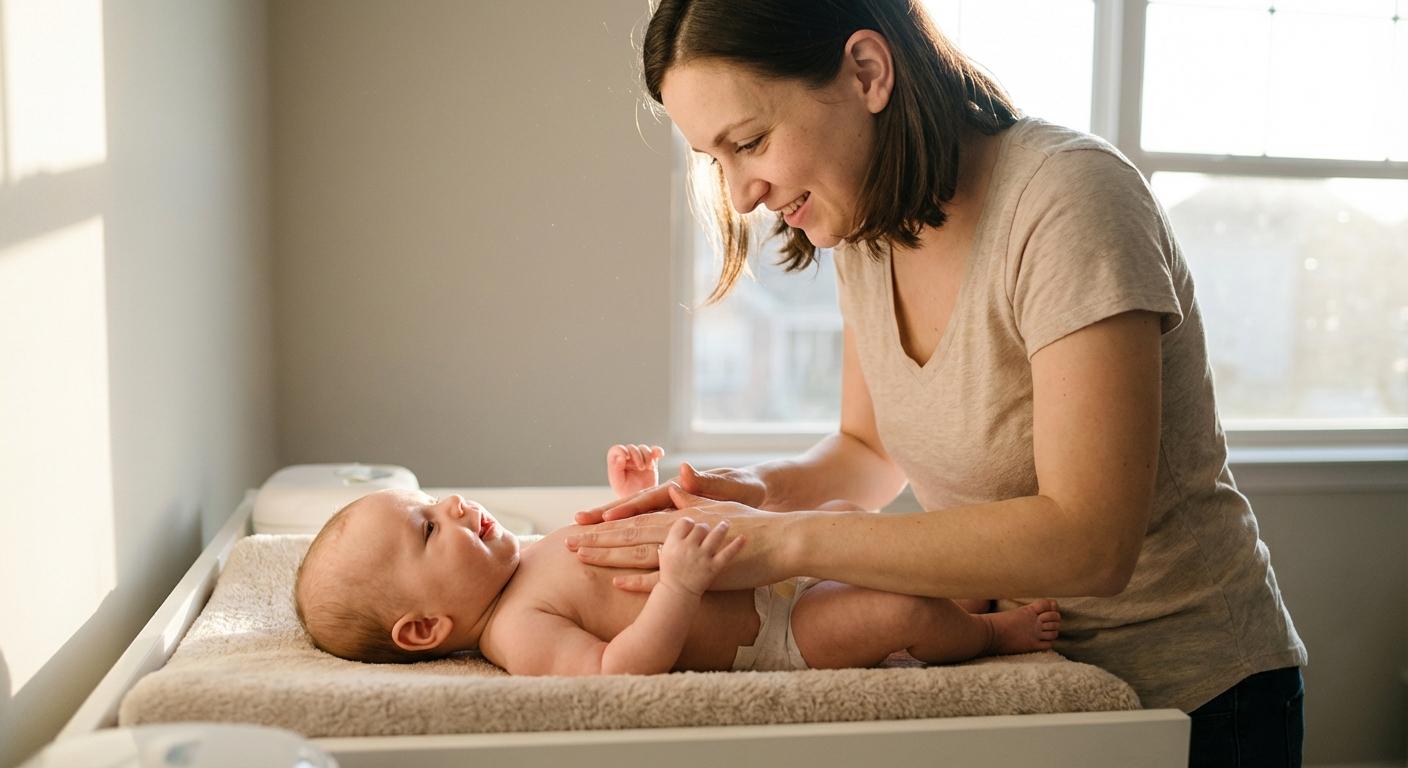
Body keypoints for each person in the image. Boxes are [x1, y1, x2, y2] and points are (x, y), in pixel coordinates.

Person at [566, 1, 1306, 764]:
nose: (741, 193)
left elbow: (1090, 543)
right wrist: (750, 494)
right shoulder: (866, 223)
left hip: (1198, 701)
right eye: (714, 160)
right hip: (1033, 681)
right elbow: (867, 450)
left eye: (749, 142)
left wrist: (786, 542)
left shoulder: (1069, 201)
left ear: (867, 72)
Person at [292, 446, 1061, 674]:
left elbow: (602, 546)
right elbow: (618, 674)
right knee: (897, 614)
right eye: (429, 530)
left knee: (844, 518)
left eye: (434, 500)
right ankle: (988, 636)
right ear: (425, 628)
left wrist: (628, 494)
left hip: (768, 569)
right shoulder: (517, 631)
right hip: (775, 633)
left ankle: (964, 595)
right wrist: (680, 589)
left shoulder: (523, 561)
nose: (453, 506)